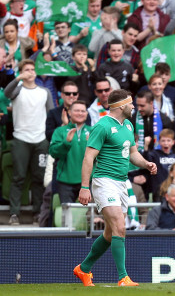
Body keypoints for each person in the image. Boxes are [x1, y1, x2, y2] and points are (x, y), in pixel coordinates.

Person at [74, 89, 158, 286]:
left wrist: (145, 164)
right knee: (120, 226)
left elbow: (132, 153)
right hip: (104, 181)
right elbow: (88, 158)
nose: (133, 107)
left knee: (111, 233)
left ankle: (83, 269)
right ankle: (123, 277)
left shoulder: (127, 125)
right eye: (130, 104)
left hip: (121, 182)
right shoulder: (102, 126)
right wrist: (84, 187)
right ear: (121, 106)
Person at [5, 59, 54, 225]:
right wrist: (18, 78)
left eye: (32, 69)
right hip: (20, 138)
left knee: (39, 178)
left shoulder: (44, 92)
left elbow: (51, 113)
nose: (30, 72)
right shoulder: (17, 91)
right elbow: (6, 93)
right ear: (22, 72)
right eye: (26, 69)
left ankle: (38, 212)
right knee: (18, 177)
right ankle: (14, 213)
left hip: (40, 140)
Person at [49, 100, 91, 204]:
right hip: (65, 181)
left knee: (88, 216)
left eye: (83, 111)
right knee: (67, 216)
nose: (80, 113)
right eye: (77, 110)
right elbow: (53, 152)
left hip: (88, 181)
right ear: (69, 113)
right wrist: (66, 142)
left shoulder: (93, 131)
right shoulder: (60, 131)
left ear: (87, 114)